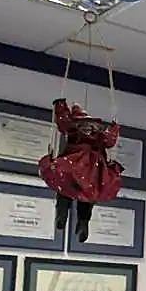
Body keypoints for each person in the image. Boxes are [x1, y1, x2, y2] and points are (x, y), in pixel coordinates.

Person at [38, 98, 122, 242]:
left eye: (89, 124)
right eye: (82, 124)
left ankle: (82, 221)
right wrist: (60, 106)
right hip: (76, 167)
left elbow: (110, 141)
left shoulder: (98, 138)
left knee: (86, 194)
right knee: (65, 186)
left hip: (87, 171)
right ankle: (63, 214)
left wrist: (114, 129)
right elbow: (63, 122)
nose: (87, 127)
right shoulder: (74, 134)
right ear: (76, 125)